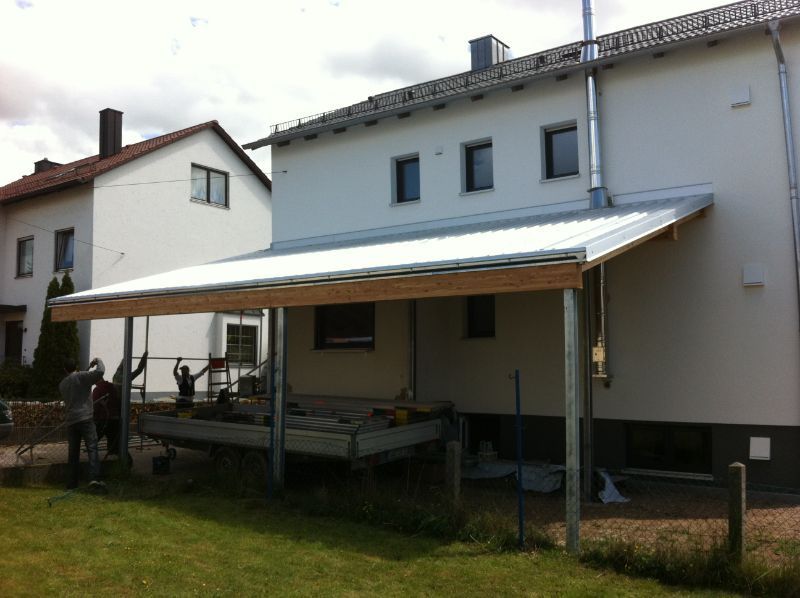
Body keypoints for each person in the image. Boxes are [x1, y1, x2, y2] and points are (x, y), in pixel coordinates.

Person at [59, 357, 105, 492]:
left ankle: (72, 483)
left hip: (71, 421)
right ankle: (94, 479)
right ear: (76, 367)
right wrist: (98, 361)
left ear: (64, 369)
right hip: (85, 418)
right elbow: (100, 372)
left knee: (73, 453)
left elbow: (76, 385)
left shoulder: (62, 384)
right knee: (92, 448)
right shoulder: (82, 376)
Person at [92, 351, 148, 459]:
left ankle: (112, 452)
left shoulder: (116, 375)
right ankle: (117, 452)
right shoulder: (126, 377)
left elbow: (123, 364)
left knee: (107, 435)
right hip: (120, 405)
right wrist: (144, 357)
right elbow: (139, 369)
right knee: (116, 432)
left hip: (113, 407)